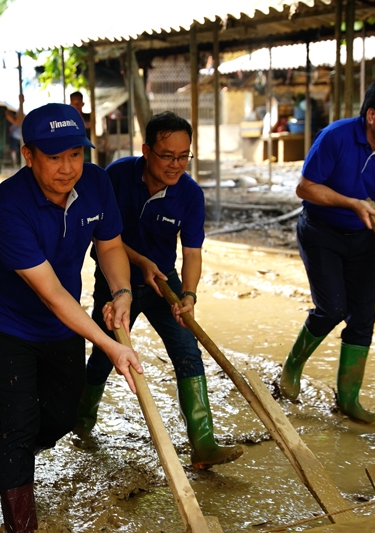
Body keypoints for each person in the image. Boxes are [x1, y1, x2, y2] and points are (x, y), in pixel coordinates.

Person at [0, 103, 143, 532]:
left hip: (62, 324)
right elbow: (50, 294)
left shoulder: (97, 183)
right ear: (28, 156)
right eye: (54, 157)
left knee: (63, 417)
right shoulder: (8, 207)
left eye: (75, 154)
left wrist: (121, 291)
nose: (68, 168)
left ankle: (12, 460)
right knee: (19, 421)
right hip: (8, 323)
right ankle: (21, 520)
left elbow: (108, 246)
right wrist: (110, 344)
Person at [73, 111, 243, 469]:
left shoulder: (190, 195)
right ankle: (81, 426)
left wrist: (189, 296)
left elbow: (192, 253)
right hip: (116, 282)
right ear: (146, 150)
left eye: (184, 156)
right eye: (168, 156)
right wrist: (140, 262)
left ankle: (203, 444)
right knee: (106, 355)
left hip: (164, 280)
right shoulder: (116, 177)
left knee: (187, 350)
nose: (176, 164)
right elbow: (103, 238)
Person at [279, 79, 375, 425]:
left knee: (362, 317)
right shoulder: (336, 136)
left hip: (363, 237)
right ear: (372, 115)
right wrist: (350, 202)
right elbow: (304, 188)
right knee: (332, 308)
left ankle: (349, 399)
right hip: (321, 231)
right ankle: (293, 365)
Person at [69, 91, 92, 162]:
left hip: (88, 152)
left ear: (82, 104)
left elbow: (89, 125)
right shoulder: (68, 119)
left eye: (78, 103)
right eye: (74, 104)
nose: (76, 106)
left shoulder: (89, 117)